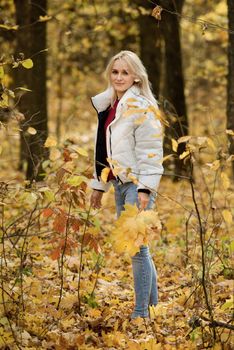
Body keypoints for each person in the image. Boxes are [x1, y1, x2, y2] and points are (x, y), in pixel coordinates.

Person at [90, 50, 164, 319]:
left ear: (135, 77)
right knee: (139, 247)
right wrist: (99, 186)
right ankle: (153, 309)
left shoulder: (141, 107)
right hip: (120, 184)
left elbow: (151, 152)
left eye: (125, 72)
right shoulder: (108, 105)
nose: (119, 77)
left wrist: (145, 188)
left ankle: (141, 313)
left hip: (137, 184)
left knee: (136, 247)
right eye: (115, 72)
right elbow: (102, 149)